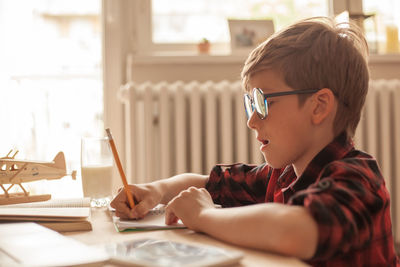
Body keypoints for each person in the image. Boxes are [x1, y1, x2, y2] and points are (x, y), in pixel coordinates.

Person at [111, 17, 399, 266]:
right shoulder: (282, 175)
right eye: (250, 104)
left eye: (262, 102)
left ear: (318, 106)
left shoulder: (359, 179)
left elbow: (294, 231)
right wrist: (155, 190)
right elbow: (208, 183)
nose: (251, 120)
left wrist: (203, 216)